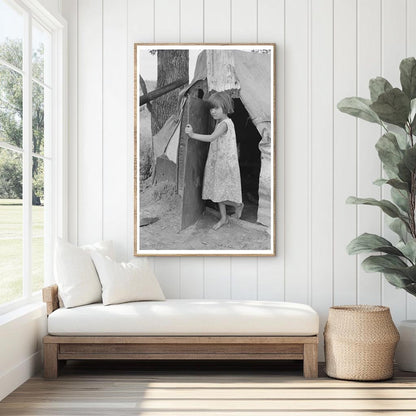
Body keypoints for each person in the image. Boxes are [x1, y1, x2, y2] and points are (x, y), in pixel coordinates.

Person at [185, 91, 243, 230]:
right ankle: (224, 218)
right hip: (218, 162)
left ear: (226, 106)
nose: (213, 111)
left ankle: (237, 205)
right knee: (218, 190)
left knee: (220, 192)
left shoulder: (225, 124)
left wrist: (192, 134)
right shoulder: (221, 123)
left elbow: (211, 138)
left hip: (224, 164)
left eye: (216, 108)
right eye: (211, 108)